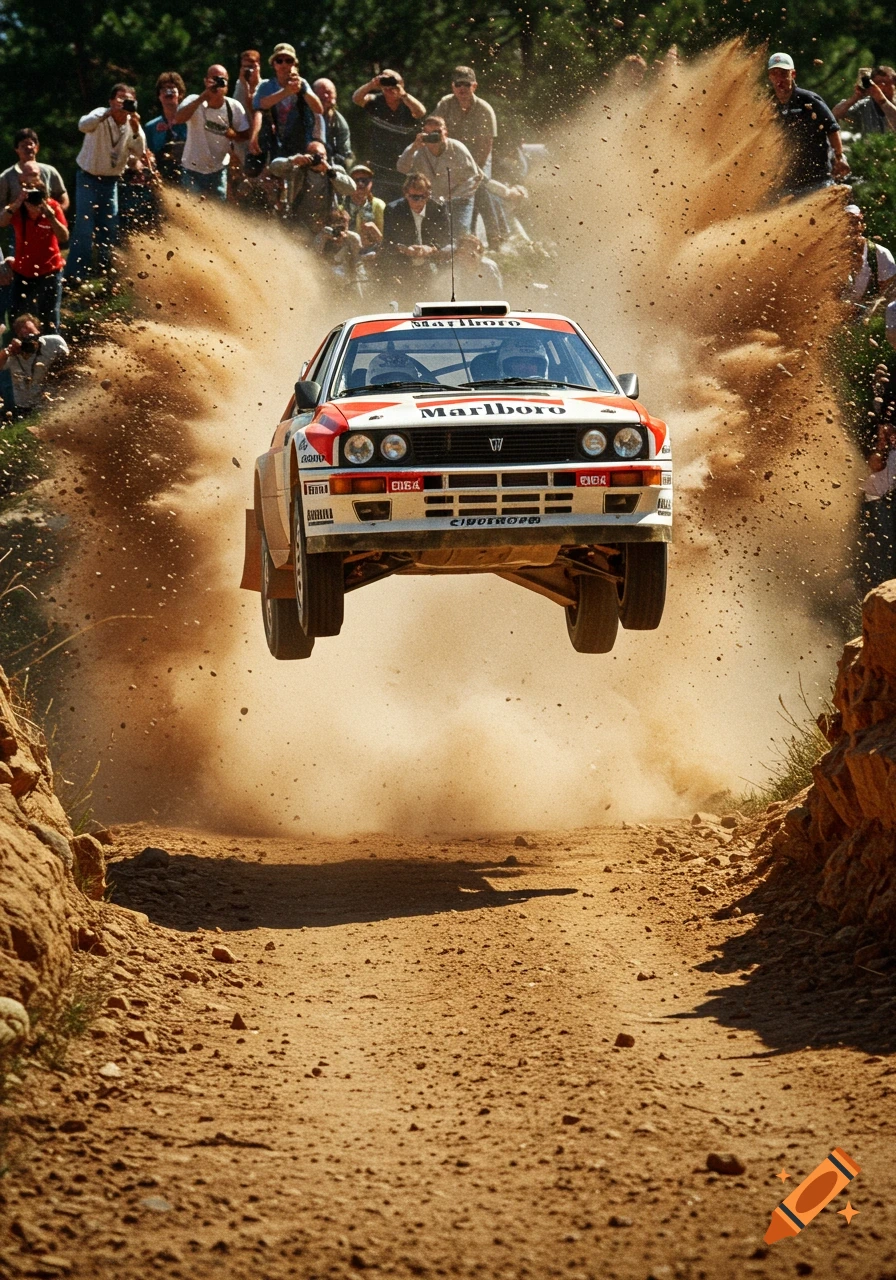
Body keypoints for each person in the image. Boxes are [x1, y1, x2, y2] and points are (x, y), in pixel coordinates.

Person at [64, 84, 147, 282]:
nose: (124, 104)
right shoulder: (101, 114)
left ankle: (105, 274)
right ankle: (75, 275)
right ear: (111, 101)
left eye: (129, 100)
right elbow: (83, 125)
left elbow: (140, 150)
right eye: (120, 99)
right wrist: (109, 112)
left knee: (109, 227)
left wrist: (135, 129)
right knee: (84, 227)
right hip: (88, 177)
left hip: (111, 182)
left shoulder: (132, 121)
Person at [767, 53, 850, 198]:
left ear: (793, 74)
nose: (779, 79)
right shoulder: (768, 103)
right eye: (775, 74)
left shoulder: (808, 99)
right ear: (770, 77)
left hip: (817, 177)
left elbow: (832, 127)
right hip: (785, 181)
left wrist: (839, 156)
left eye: (783, 73)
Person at [0, 165, 68, 333]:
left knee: (50, 318)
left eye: (37, 194)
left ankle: (52, 352)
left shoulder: (52, 207)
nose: (33, 202)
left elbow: (64, 236)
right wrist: (18, 202)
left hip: (50, 269)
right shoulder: (18, 209)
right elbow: (2, 222)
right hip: (23, 271)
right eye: (31, 196)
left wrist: (50, 215)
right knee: (16, 316)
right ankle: (18, 353)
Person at [175, 66, 250, 201]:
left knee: (217, 210)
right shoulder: (193, 100)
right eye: (214, 79)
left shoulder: (233, 107)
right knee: (192, 210)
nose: (218, 84)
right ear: (206, 81)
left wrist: (234, 135)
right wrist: (203, 96)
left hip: (218, 169)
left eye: (222, 80)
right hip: (192, 168)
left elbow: (246, 135)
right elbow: (178, 118)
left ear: (227, 85)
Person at [351, 71, 426, 202]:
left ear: (402, 85)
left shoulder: (407, 104)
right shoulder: (376, 101)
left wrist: (403, 95)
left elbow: (421, 112)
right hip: (379, 164)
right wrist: (372, 84)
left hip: (403, 164)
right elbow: (356, 99)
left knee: (403, 202)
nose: (389, 90)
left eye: (393, 86)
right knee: (380, 201)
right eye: (385, 87)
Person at [254, 44, 324, 166]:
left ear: (294, 65)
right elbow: (261, 105)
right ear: (274, 65)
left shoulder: (302, 83)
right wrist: (287, 91)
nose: (284, 65)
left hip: (298, 139)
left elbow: (318, 109)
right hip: (274, 139)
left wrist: (302, 90)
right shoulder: (266, 86)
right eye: (279, 61)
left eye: (289, 60)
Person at [268, 140, 355, 235]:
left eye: (321, 156)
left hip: (324, 224)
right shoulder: (297, 169)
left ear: (326, 157)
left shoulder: (333, 171)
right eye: (313, 155)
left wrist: (330, 172)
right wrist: (292, 160)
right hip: (296, 222)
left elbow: (351, 189)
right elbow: (273, 167)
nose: (317, 159)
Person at [381, 173, 450, 289]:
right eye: (415, 197)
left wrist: (432, 248)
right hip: (404, 260)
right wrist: (404, 249)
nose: (419, 202)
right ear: (406, 194)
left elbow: (446, 237)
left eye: (424, 197)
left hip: (432, 258)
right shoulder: (393, 210)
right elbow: (388, 241)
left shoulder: (438, 207)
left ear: (428, 195)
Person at [0, 314, 68, 416]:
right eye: (21, 332)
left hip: (52, 397)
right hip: (24, 405)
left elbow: (70, 363)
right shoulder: (14, 354)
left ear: (38, 330)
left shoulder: (54, 342)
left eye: (29, 330)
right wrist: (7, 352)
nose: (25, 333)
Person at [434, 68, 497, 173]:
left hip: (478, 160)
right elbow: (432, 129)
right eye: (458, 84)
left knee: (480, 186)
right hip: (450, 158)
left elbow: (486, 144)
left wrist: (474, 169)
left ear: (474, 86)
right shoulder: (445, 104)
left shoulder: (485, 109)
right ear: (453, 86)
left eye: (466, 84)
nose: (462, 88)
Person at [0, 129, 69, 212]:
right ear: (16, 149)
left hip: (47, 222)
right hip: (17, 222)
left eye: (30, 144)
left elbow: (63, 197)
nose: (28, 148)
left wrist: (56, 213)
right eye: (23, 145)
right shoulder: (6, 177)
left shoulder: (50, 172)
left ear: (37, 147)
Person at [846, 204, 896, 305]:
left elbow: (890, 296)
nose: (850, 228)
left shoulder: (880, 254)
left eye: (854, 222)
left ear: (862, 225)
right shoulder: (825, 256)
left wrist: (868, 309)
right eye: (845, 224)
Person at [230, 50, 264, 197]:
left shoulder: (265, 87)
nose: (248, 70)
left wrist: (250, 89)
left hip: (260, 144)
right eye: (245, 66)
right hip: (241, 145)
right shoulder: (239, 85)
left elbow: (255, 111)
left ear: (259, 65)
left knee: (261, 186)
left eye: (251, 66)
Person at [143, 72, 188, 184]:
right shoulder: (151, 127)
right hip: (162, 180)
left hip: (188, 177)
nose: (168, 92)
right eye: (164, 89)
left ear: (180, 94)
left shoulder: (191, 123)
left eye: (172, 89)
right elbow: (146, 154)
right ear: (159, 96)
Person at [833, 65, 896, 134]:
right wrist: (856, 97)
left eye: (885, 83)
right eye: (877, 84)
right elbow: (835, 115)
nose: (881, 88)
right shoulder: (866, 104)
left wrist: (882, 100)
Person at [314, 207, 364, 290]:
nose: (342, 226)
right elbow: (316, 258)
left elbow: (356, 261)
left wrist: (345, 239)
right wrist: (328, 238)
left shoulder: (353, 238)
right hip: (325, 275)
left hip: (346, 277)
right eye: (338, 222)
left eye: (345, 223)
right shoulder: (323, 235)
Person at [314, 79, 353, 171]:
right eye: (320, 93)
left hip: (330, 166)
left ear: (335, 95)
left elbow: (345, 153)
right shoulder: (306, 117)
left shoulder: (339, 123)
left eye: (328, 92)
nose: (325, 96)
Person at [344, 163, 385, 250]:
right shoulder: (341, 206)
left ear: (371, 183)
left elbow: (386, 239)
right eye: (356, 180)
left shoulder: (379, 206)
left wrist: (375, 231)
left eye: (364, 180)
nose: (360, 184)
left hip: (371, 252)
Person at [453, 233, 503, 298]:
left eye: (471, 252)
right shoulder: (456, 269)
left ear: (479, 252)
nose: (467, 255)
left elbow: (496, 295)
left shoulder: (488, 267)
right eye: (463, 252)